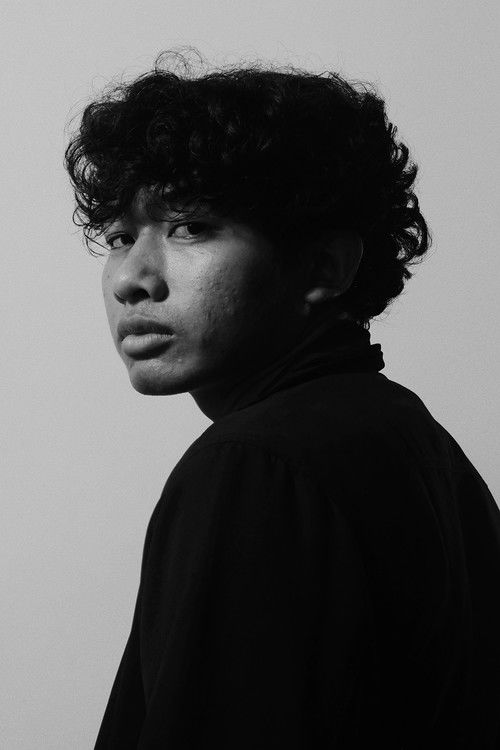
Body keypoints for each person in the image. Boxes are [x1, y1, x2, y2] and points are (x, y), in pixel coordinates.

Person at [65, 51, 500, 749]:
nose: (131, 279)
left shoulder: (260, 466)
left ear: (324, 265)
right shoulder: (413, 441)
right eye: (119, 237)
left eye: (190, 226)